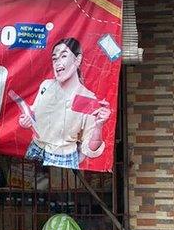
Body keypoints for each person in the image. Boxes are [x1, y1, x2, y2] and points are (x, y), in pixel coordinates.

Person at [18, 37, 111, 169]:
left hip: (62, 158)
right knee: (26, 187)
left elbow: (90, 149)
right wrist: (25, 120)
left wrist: (99, 126)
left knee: (58, 190)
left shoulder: (87, 98)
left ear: (77, 59)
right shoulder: (46, 86)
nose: (57, 62)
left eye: (63, 56)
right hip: (35, 149)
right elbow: (34, 113)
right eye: (55, 58)